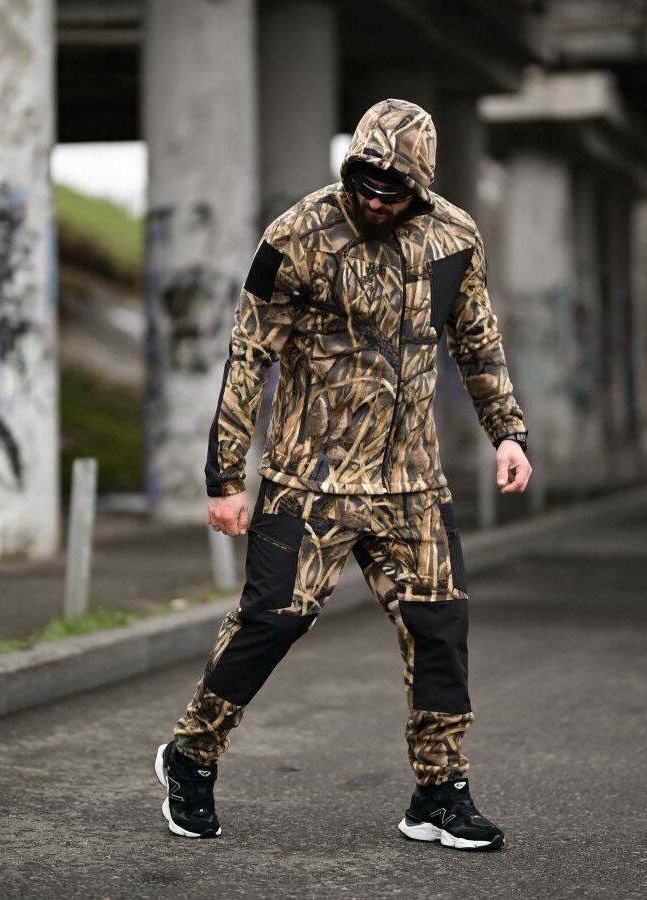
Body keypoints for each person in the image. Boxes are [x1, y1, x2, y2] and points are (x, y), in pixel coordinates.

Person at [154, 98, 532, 850]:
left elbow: (477, 342)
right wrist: (225, 477)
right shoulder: (296, 235)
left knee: (440, 631)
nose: (376, 200)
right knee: (271, 621)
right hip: (310, 480)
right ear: (351, 169)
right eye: (366, 183)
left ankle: (438, 794)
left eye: (395, 190)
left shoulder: (455, 236)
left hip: (412, 483)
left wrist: (508, 433)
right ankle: (191, 756)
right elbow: (249, 357)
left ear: (421, 185)